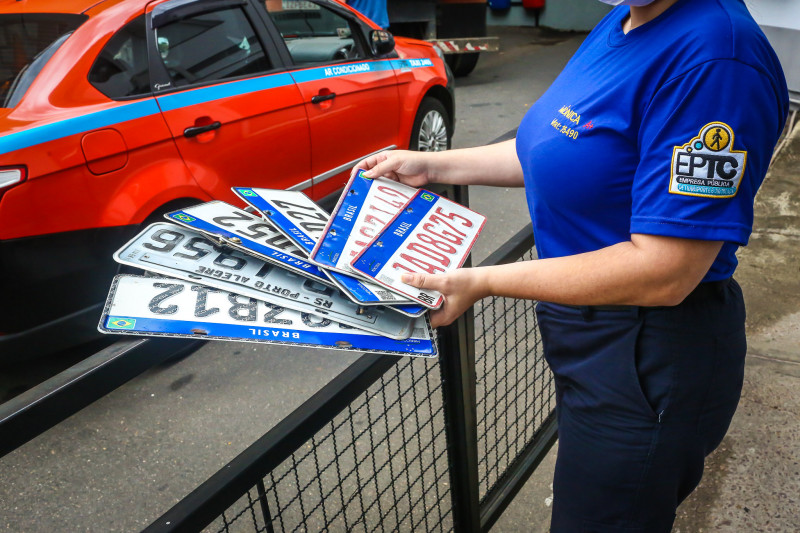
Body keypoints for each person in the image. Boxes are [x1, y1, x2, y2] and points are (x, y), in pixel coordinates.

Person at [353, 0, 789, 530]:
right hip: (592, 334)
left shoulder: (717, 61)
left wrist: (481, 280)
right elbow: (558, 148)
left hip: (648, 351)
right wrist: (432, 163)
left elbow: (667, 270)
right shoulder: (628, 18)